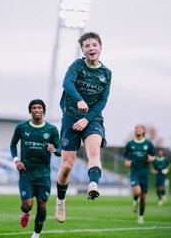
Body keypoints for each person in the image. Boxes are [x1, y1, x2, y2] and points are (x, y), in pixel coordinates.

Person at [55, 32, 112, 223]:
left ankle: (93, 185)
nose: (91, 48)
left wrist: (87, 119)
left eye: (94, 45)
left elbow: (103, 101)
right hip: (71, 116)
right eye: (87, 46)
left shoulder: (106, 73)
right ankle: (61, 200)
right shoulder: (77, 66)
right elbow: (67, 83)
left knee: (94, 150)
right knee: (67, 166)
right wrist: (79, 100)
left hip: (93, 118)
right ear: (83, 50)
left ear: (100, 48)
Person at [10, 99, 61, 238]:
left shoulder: (51, 129)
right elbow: (13, 144)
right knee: (27, 205)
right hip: (26, 173)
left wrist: (54, 149)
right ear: (30, 111)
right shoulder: (22, 127)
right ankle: (25, 212)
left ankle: (36, 234)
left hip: (43, 174)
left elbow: (61, 150)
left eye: (39, 107)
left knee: (42, 205)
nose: (37, 110)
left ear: (43, 111)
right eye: (34, 107)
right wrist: (16, 160)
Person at [123, 124, 156, 224]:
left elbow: (154, 155)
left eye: (140, 128)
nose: (137, 129)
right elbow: (124, 155)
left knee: (144, 197)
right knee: (137, 192)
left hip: (145, 173)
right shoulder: (130, 143)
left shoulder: (148, 143)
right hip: (134, 172)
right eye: (136, 128)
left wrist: (152, 158)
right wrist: (126, 161)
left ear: (143, 131)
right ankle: (134, 200)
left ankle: (141, 216)